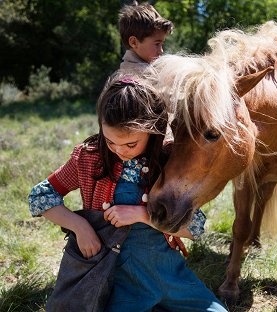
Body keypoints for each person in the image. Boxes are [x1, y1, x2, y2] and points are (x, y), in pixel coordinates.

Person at [28, 73, 228, 312]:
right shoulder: (89, 157)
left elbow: (195, 229)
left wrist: (142, 215)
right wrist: (80, 227)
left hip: (169, 275)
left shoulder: (168, 160)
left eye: (130, 144)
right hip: (118, 277)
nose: (118, 151)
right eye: (110, 141)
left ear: (153, 131)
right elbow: (40, 197)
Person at [118, 2, 175, 144]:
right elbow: (170, 99)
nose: (161, 50)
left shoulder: (146, 67)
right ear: (134, 42)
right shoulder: (134, 74)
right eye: (157, 44)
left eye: (162, 44)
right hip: (145, 143)